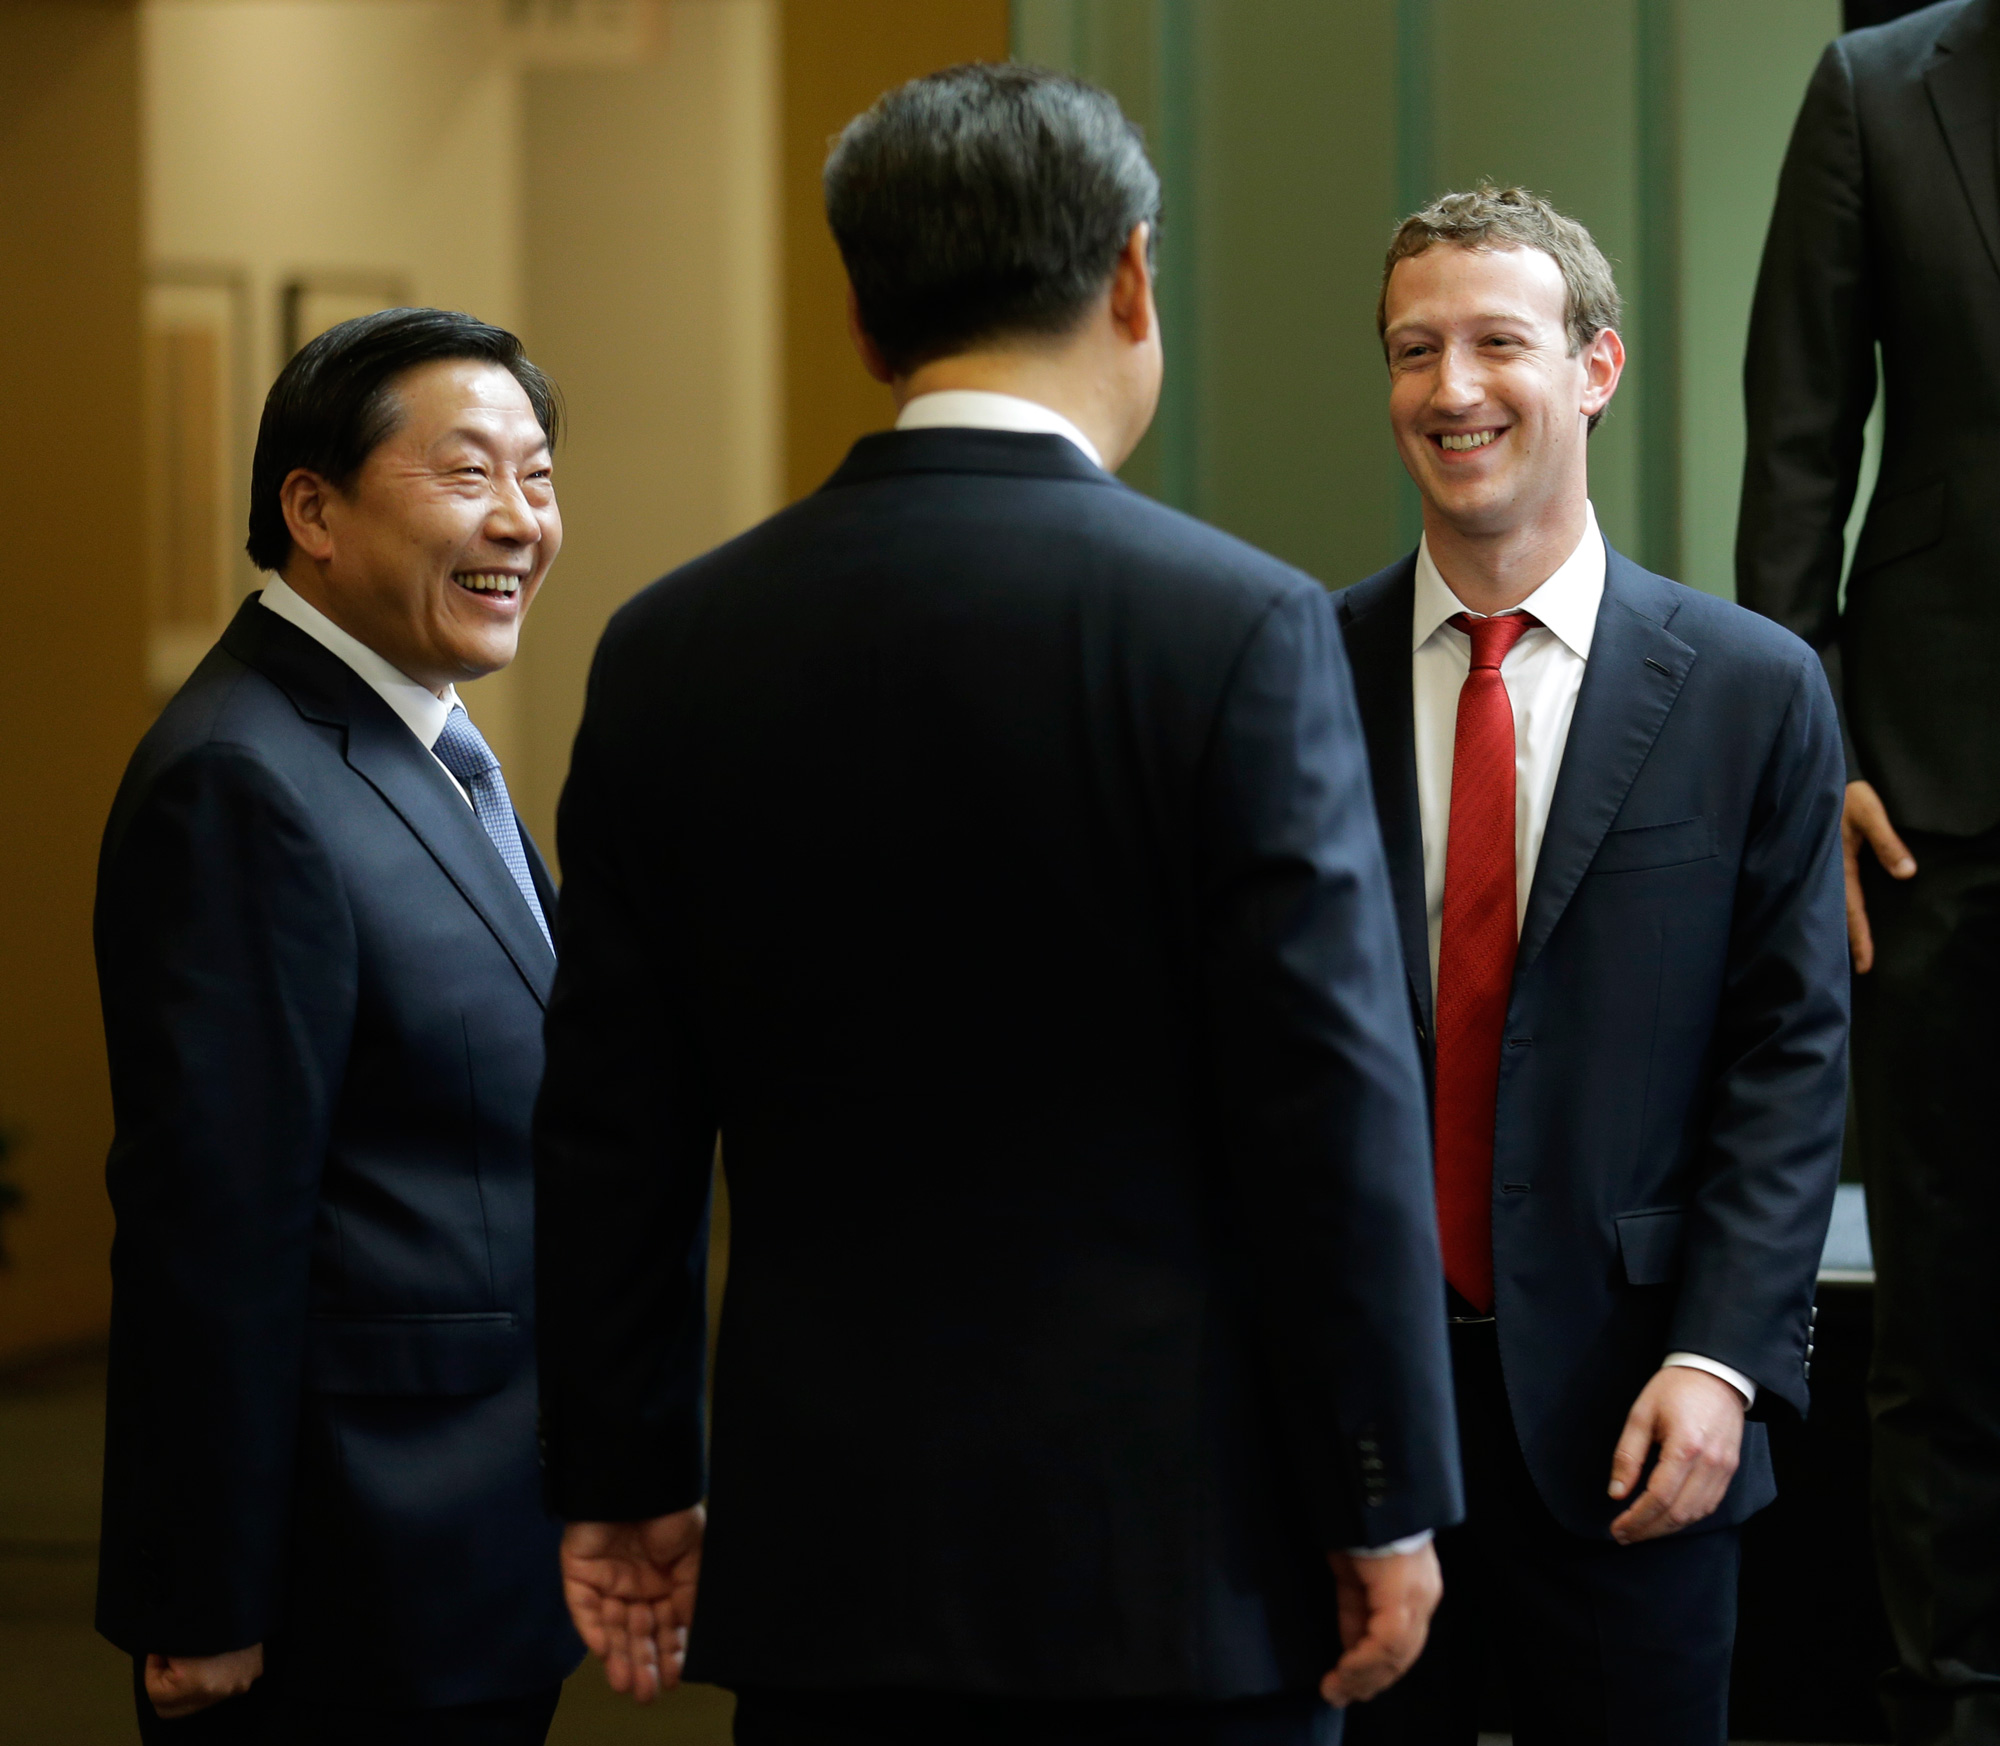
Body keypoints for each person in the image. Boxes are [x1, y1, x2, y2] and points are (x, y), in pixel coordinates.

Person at [533, 63, 1461, 1746]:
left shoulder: (671, 648)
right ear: (1129, 276)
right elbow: (1330, 1101)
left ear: (865, 320)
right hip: (1179, 1568)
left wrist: (623, 1473)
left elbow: (613, 1128)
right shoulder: (1235, 630)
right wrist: (1379, 1486)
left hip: (830, 1563)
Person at [1335, 187, 1849, 1745]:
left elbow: (1791, 1054)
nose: (1454, 388)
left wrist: (1726, 1357)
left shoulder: (1757, 690)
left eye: (1501, 341)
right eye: (1415, 349)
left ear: (1598, 367)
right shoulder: (1292, 672)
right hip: (1367, 1442)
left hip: (1646, 1421)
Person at [94, 307, 581, 1744]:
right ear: (311, 507)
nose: (520, 519)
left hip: (463, 1562)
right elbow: (213, 1229)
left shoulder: (413, 746)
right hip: (340, 1591)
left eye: (540, 477)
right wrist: (202, 1595)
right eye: (470, 472)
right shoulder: (244, 779)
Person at [1737, 5, 2000, 1736]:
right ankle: (1957, 1697)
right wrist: (1804, 748)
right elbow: (1799, 444)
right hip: (1938, 778)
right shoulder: (1876, 86)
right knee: (1953, 1299)